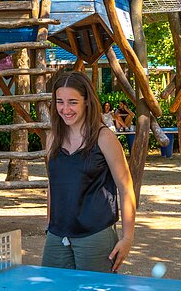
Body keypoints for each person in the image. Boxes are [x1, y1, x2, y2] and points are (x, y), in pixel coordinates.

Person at [43, 71, 136, 273]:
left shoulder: (104, 138)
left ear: (87, 102)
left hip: (95, 235)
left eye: (72, 102)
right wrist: (50, 223)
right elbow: (52, 183)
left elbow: (126, 188)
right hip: (57, 235)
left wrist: (127, 238)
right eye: (60, 101)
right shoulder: (53, 138)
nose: (65, 109)